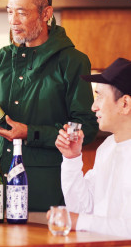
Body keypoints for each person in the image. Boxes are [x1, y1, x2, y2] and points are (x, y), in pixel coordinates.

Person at [0, 0, 98, 212]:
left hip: (44, 188)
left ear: (46, 13)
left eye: (22, 13)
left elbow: (86, 127)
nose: (13, 21)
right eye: (9, 12)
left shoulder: (73, 61)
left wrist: (29, 133)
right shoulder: (1, 58)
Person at [54, 57, 131, 237]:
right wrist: (71, 159)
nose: (93, 106)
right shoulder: (107, 147)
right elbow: (83, 207)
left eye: (100, 96)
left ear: (125, 104)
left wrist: (78, 221)